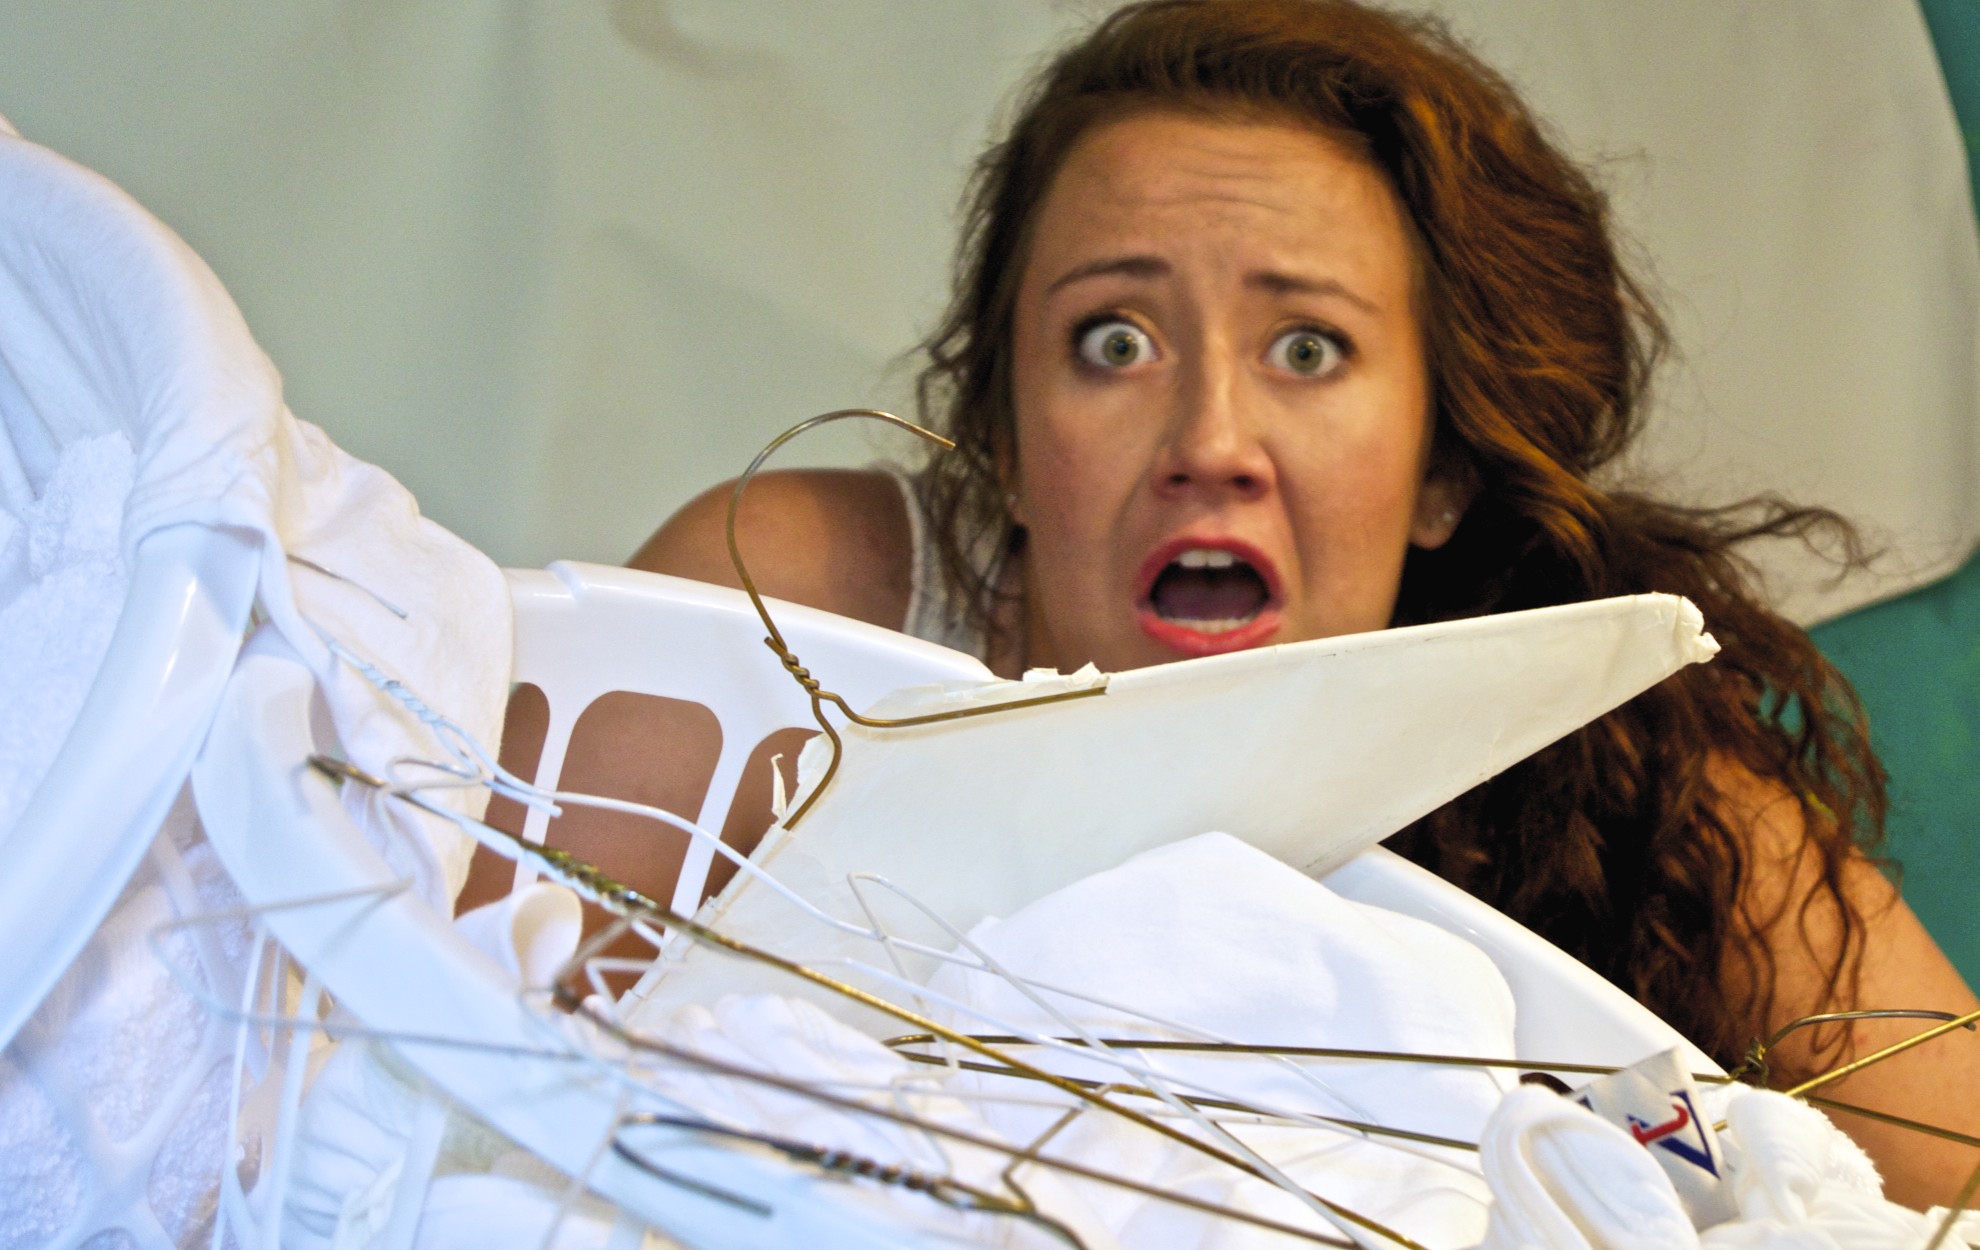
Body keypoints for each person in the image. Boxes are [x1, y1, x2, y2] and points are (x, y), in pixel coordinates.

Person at [632, 0, 1980, 1202]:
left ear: (1440, 471)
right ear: (1002, 436)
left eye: (1308, 347)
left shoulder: (1625, 776)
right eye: (1114, 341)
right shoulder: (784, 608)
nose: (1210, 437)